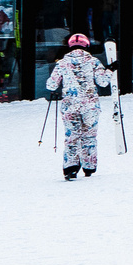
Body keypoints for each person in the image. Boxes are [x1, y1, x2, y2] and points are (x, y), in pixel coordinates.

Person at [48, 33, 113, 180]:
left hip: (70, 106)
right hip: (90, 106)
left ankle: (70, 168)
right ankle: (89, 167)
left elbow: (51, 85)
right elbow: (103, 82)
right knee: (89, 136)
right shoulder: (93, 61)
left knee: (72, 137)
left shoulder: (62, 63)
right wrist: (110, 69)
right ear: (87, 45)